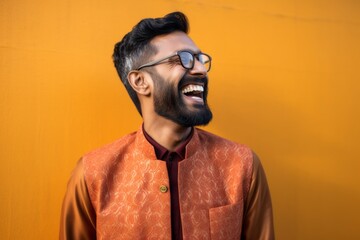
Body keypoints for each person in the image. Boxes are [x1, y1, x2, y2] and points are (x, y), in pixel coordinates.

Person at [59, 11, 274, 240]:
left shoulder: (242, 166)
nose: (201, 70)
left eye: (200, 59)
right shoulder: (94, 174)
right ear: (140, 82)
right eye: (183, 58)